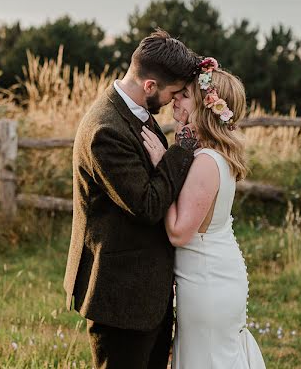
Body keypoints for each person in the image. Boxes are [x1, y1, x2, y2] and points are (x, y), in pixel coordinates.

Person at [64, 29, 202, 369]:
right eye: (172, 93)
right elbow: (148, 205)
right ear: (150, 86)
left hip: (146, 292)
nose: (173, 101)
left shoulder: (136, 111)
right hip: (121, 294)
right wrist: (180, 151)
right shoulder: (106, 130)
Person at [141, 56, 266, 368]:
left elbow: (179, 232)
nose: (176, 100)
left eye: (185, 96)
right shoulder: (209, 155)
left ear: (206, 105)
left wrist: (162, 168)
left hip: (208, 281)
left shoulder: (207, 161)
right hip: (208, 275)